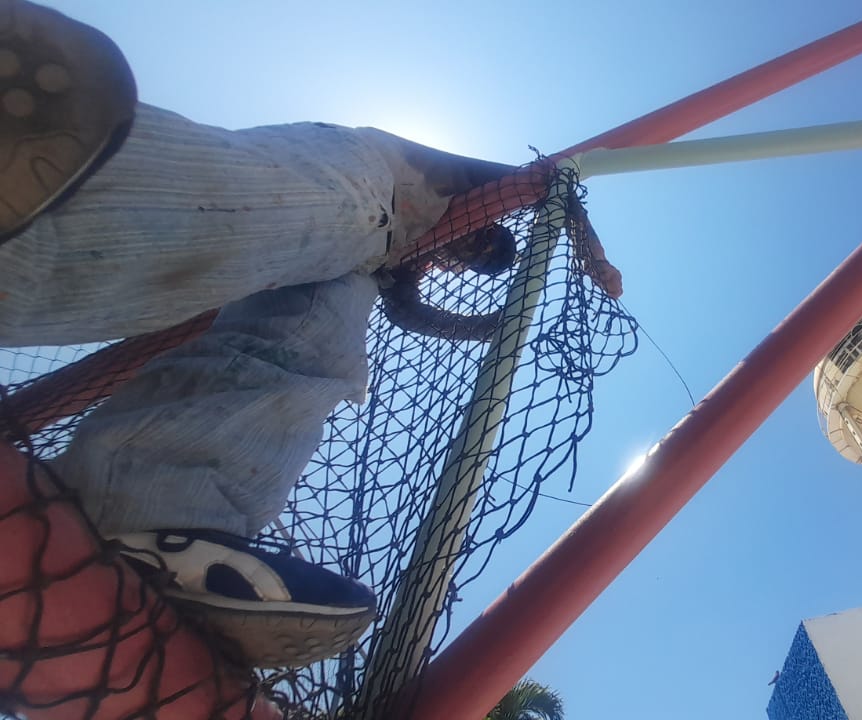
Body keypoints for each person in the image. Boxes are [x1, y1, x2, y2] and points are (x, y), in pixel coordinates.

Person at [0, 0, 619, 669]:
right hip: (356, 180)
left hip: (340, 262)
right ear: (482, 227)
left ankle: (148, 508)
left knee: (324, 330)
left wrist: (491, 325)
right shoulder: (470, 184)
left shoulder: (402, 266)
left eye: (463, 260)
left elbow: (411, 314)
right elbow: (548, 182)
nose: (455, 258)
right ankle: (47, 199)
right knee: (272, 212)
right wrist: (591, 251)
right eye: (470, 250)